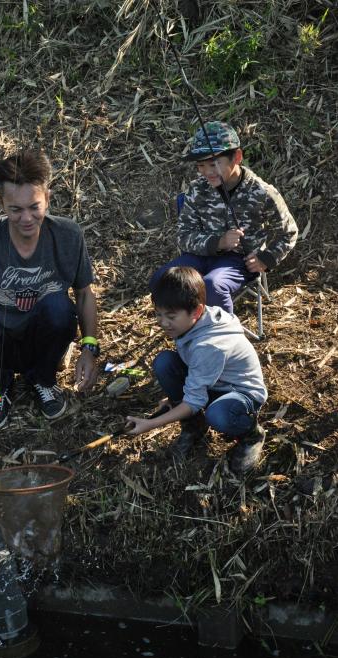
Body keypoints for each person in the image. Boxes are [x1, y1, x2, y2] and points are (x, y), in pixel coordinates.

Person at [0, 148, 99, 430]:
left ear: (47, 199)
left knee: (60, 307)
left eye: (34, 206)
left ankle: (43, 379)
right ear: (2, 203)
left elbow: (84, 294)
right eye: (16, 209)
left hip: (44, 339)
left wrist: (89, 348)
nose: (26, 217)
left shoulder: (68, 235)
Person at [127, 267, 268, 474]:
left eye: (171, 316)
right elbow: (195, 370)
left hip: (239, 392)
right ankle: (194, 426)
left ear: (197, 311)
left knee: (219, 415)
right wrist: (176, 401)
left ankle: (251, 435)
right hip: (214, 380)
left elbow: (194, 400)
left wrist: (150, 423)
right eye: (158, 314)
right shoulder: (192, 322)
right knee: (164, 362)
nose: (163, 322)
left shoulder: (209, 345)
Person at [149, 121, 298, 314]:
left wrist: (266, 258)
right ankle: (187, 335)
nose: (207, 172)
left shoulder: (262, 192)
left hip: (238, 262)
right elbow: (184, 236)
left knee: (213, 285)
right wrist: (219, 242)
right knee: (160, 279)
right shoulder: (197, 189)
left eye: (213, 164)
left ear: (236, 157)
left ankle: (222, 339)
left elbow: (289, 232)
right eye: (201, 165)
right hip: (198, 257)